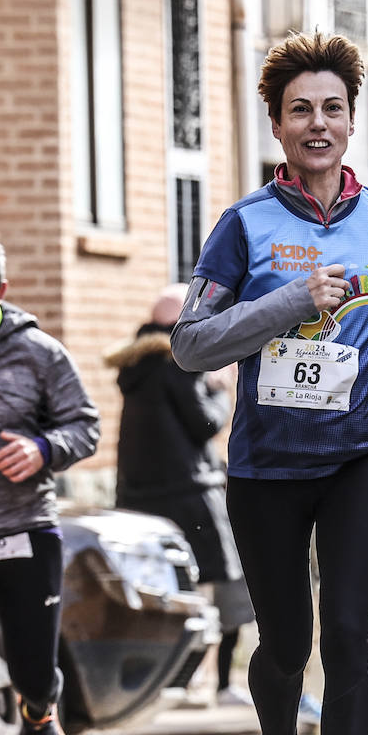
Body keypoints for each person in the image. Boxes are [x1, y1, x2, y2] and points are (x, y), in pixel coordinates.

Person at [171, 31, 368, 735]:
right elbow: (190, 344)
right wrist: (290, 299)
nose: (317, 124)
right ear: (278, 128)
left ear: (352, 120)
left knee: (350, 637)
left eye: (331, 108)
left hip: (362, 451)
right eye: (300, 112)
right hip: (267, 467)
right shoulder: (244, 225)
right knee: (286, 646)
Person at [0, 232, 100, 735]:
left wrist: (43, 449)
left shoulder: (37, 353)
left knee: (32, 667)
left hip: (24, 531)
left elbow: (85, 425)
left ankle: (37, 712)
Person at [106, 287, 256, 702]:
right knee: (229, 591)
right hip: (191, 497)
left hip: (138, 501)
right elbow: (205, 425)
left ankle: (175, 683)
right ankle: (223, 684)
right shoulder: (179, 362)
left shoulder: (134, 367)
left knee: (168, 595)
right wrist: (220, 390)